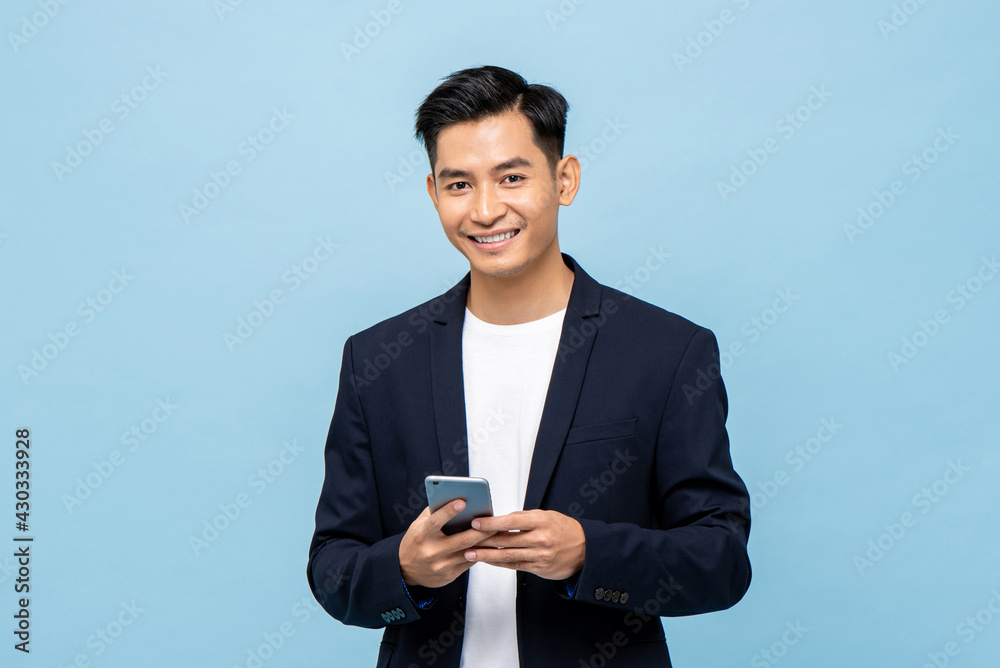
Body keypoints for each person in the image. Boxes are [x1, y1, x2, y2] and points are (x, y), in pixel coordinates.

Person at [307, 65, 751, 668]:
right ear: (433, 193)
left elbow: (721, 563)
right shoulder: (378, 360)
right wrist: (404, 569)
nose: (486, 210)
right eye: (459, 185)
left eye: (511, 177)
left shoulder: (667, 351)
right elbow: (333, 565)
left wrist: (589, 552)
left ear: (564, 179)